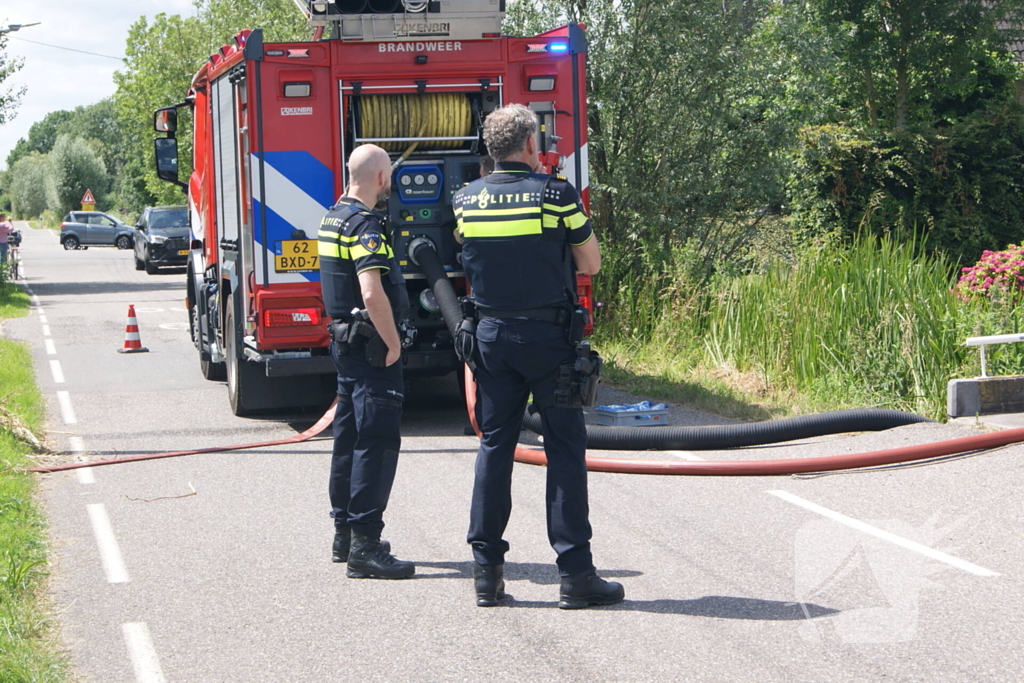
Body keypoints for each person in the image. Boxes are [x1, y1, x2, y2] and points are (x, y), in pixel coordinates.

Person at [454, 104, 623, 609]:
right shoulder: (556, 195)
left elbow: (468, 254)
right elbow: (590, 261)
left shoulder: (466, 200)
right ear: (530, 145)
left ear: (490, 149)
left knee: (495, 449)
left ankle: (486, 574)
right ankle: (575, 576)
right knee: (565, 451)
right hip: (549, 339)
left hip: (490, 337)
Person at [318, 143, 414, 580]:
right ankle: (366, 546)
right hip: (374, 347)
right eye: (389, 174)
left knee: (348, 436)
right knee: (376, 443)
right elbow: (372, 291)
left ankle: (345, 534)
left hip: (346, 342)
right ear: (380, 178)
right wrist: (393, 342)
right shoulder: (365, 225)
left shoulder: (333, 217)